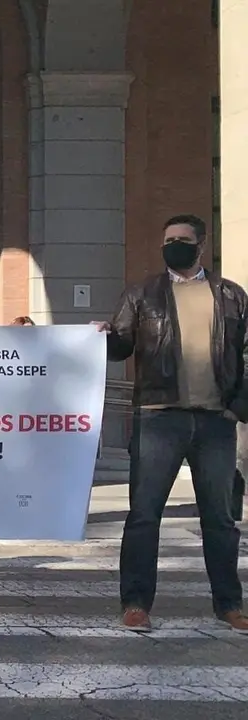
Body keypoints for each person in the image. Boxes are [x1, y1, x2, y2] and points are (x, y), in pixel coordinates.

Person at [95, 214, 248, 632]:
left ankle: (229, 606)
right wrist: (100, 336)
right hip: (158, 419)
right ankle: (136, 604)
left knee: (220, 518)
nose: (174, 245)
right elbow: (120, 346)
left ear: (201, 245)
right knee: (144, 515)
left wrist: (238, 407)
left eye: (183, 239)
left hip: (216, 422)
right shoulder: (143, 293)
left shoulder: (232, 296)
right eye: (168, 240)